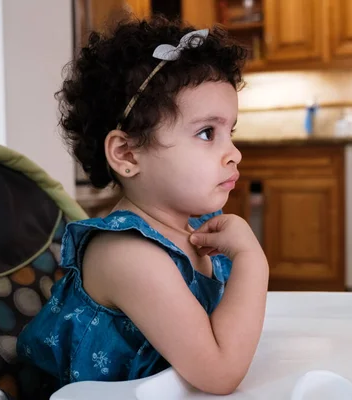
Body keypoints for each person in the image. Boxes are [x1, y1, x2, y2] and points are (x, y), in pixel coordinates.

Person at [17, 15, 269, 396]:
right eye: (206, 133)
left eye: (229, 132)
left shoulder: (200, 226)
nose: (233, 153)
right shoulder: (127, 253)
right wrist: (253, 260)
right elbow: (220, 373)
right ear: (127, 153)